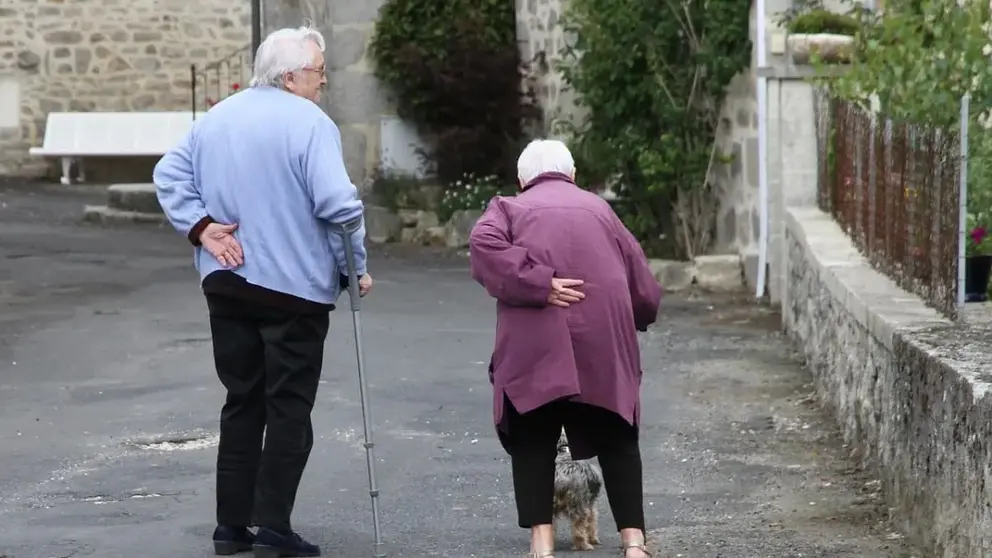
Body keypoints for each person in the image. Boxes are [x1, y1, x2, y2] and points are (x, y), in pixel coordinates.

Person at [154, 23, 371, 558]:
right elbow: (339, 207)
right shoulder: (311, 123)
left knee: (242, 402)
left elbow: (168, 174)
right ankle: (274, 527)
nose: (323, 82)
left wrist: (202, 228)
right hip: (293, 291)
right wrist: (355, 269)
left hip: (227, 283)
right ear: (291, 76)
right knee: (289, 408)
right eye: (318, 72)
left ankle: (231, 528)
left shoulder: (217, 117)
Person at [469, 139, 663, 558]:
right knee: (616, 432)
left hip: (535, 338)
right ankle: (634, 543)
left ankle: (542, 543)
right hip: (603, 337)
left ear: (521, 179)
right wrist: (640, 313)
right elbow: (642, 280)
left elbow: (483, 246)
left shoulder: (507, 208)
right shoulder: (601, 210)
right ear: (572, 175)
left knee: (533, 433)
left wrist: (536, 282)